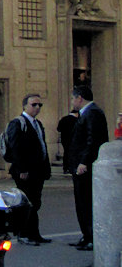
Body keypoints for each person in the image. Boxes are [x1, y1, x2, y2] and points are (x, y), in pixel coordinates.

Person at [2, 92, 51, 244]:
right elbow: (15, 147)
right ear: (25, 106)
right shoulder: (18, 123)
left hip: (37, 171)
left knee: (35, 203)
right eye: (34, 104)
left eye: (39, 105)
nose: (37, 107)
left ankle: (34, 234)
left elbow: (42, 147)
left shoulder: (37, 124)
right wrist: (22, 169)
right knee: (26, 203)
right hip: (24, 172)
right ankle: (23, 234)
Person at [67, 82, 109, 250]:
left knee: (86, 203)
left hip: (85, 167)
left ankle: (92, 237)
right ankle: (86, 236)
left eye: (72, 98)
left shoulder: (92, 113)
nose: (71, 102)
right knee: (81, 203)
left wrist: (84, 162)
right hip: (80, 166)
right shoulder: (88, 113)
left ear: (80, 98)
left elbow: (93, 141)